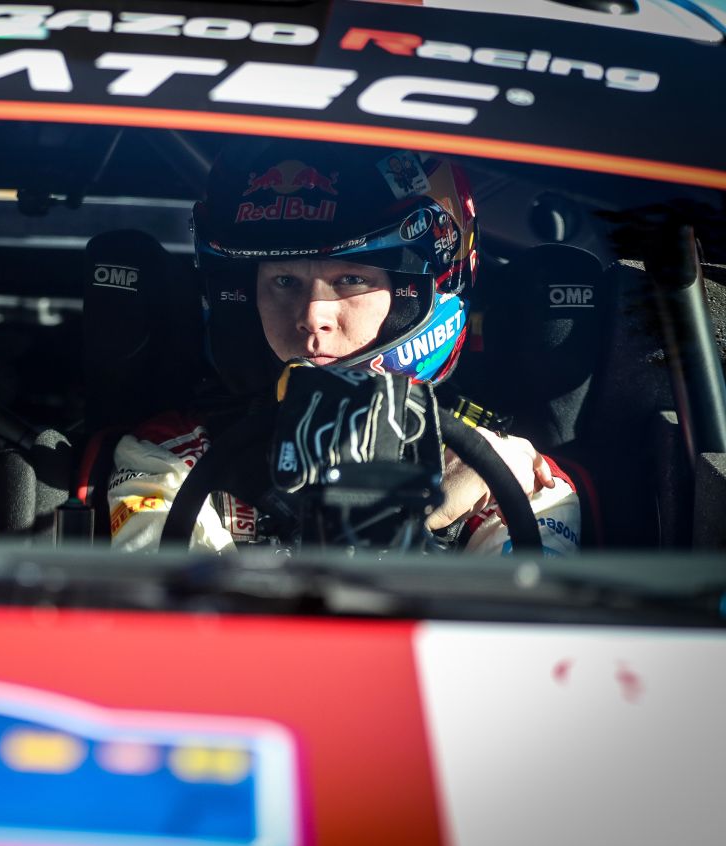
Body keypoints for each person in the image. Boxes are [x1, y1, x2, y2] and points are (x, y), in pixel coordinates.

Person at [108, 141, 582, 555]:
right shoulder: (167, 456)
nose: (312, 315)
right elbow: (169, 621)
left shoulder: (510, 473)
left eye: (350, 279)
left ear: (417, 293)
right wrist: (417, 520)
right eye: (284, 280)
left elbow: (520, 627)